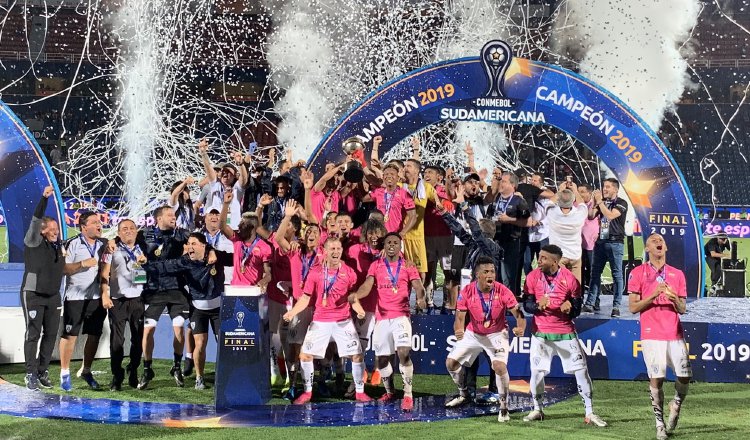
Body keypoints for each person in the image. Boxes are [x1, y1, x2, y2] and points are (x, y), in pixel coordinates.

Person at [521, 244, 607, 426]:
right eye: (540, 257)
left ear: (555, 261)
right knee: (537, 372)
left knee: (581, 371)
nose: (539, 261)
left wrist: (569, 310)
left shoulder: (570, 280)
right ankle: (537, 409)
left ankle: (590, 413)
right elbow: (526, 305)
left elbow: (576, 310)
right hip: (541, 333)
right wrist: (537, 306)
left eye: (544, 258)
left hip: (565, 332)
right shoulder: (532, 277)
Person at [282, 237, 370, 404]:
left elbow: (352, 296)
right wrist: (292, 312)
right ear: (325, 251)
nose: (336, 252)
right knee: (305, 356)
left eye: (338, 249)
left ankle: (360, 392)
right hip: (321, 321)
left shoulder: (349, 273)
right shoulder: (315, 273)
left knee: (357, 356)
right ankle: (308, 392)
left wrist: (358, 310)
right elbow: (306, 297)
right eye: (332, 249)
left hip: (343, 321)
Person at [444, 256, 526, 424]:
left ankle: (503, 407)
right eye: (486, 272)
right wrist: (458, 330)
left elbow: (519, 314)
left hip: (497, 334)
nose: (491, 275)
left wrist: (520, 327)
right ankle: (464, 393)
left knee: (499, 366)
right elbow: (459, 317)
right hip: (473, 333)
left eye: (493, 271)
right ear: (477, 275)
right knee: (451, 363)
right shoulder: (467, 291)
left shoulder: (503, 291)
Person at [146, 233, 233, 390]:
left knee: (224, 343)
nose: (190, 247)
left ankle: (226, 376)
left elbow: (236, 258)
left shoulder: (216, 256)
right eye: (188, 243)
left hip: (218, 308)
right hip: (197, 308)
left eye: (194, 243)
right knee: (200, 343)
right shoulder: (184, 261)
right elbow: (164, 266)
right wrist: (146, 263)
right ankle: (199, 378)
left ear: (203, 246)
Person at [352, 233, 426, 411]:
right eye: (389, 243)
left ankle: (407, 394)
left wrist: (421, 298)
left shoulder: (408, 266)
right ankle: (390, 391)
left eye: (395, 243)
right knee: (382, 359)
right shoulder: (376, 265)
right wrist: (356, 295)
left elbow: (418, 286)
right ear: (384, 246)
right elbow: (367, 286)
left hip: (401, 316)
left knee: (403, 353)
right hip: (382, 318)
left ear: (400, 246)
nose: (392, 245)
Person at [628, 233, 691, 440]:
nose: (658, 242)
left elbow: (682, 309)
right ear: (647, 249)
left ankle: (676, 404)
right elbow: (633, 307)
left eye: (661, 241)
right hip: (651, 334)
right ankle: (659, 424)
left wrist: (674, 298)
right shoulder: (638, 273)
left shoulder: (677, 274)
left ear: (666, 249)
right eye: (654, 241)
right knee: (657, 378)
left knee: (684, 376)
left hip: (674, 333)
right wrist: (654, 295)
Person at [137, 206, 193, 389]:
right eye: (169, 215)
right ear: (158, 219)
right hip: (153, 290)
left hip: (176, 289)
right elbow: (125, 241)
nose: (173, 217)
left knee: (179, 329)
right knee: (148, 330)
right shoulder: (144, 235)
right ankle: (147, 368)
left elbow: (201, 243)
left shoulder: (183, 234)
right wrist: (112, 241)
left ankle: (176, 366)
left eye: (174, 215)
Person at [20, 186, 65, 390]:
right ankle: (30, 373)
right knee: (33, 334)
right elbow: (36, 219)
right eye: (51, 229)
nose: (55, 232)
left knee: (51, 334)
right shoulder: (33, 240)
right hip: (33, 295)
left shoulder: (58, 247)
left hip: (54, 296)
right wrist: (44, 199)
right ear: (42, 230)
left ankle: (42, 371)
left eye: (57, 229)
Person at [59, 211, 108, 391]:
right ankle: (64, 372)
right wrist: (81, 264)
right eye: (94, 222)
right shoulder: (72, 244)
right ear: (83, 227)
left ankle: (86, 370)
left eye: (100, 222)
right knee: (70, 335)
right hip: (75, 297)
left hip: (95, 296)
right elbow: (63, 269)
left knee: (94, 334)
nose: (99, 225)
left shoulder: (104, 244)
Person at [100, 219, 146, 391]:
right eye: (124, 229)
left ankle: (133, 369)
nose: (129, 231)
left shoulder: (143, 248)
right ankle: (117, 376)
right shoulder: (111, 249)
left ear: (136, 231)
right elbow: (104, 273)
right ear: (118, 233)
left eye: (132, 228)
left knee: (138, 339)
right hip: (118, 300)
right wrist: (104, 294)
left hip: (138, 300)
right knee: (117, 341)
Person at [583, 178, 629, 317]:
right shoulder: (601, 202)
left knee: (617, 275)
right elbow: (591, 216)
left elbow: (609, 215)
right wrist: (593, 201)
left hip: (615, 242)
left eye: (608, 187)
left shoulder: (621, 203)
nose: (604, 189)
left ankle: (616, 306)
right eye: (604, 186)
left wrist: (600, 202)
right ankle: (590, 303)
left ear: (615, 189)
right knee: (595, 273)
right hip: (601, 242)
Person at [487, 172, 531, 297]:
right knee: (495, 273)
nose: (501, 183)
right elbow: (489, 216)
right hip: (496, 241)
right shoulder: (496, 199)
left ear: (513, 185)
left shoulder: (519, 201)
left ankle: (508, 304)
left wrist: (509, 220)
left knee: (508, 275)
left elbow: (528, 222)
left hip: (511, 241)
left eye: (504, 181)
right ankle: (496, 302)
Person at [402, 158, 438, 283]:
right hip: (402, 236)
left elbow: (438, 201)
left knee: (421, 272)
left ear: (417, 170)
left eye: (409, 166)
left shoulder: (426, 187)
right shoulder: (400, 186)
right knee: (403, 270)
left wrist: (439, 203)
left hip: (418, 237)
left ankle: (419, 300)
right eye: (405, 165)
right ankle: (404, 299)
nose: (405, 168)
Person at [546, 186, 588, 283]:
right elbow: (582, 203)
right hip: (575, 255)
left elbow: (550, 202)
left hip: (558, 257)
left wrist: (560, 190)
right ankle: (576, 298)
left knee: (560, 288)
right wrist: (575, 190)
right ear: (573, 200)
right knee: (575, 287)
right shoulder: (579, 214)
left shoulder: (552, 213)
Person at [363, 163, 416, 235]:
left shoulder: (404, 194)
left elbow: (413, 216)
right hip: (379, 234)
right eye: (386, 174)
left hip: (394, 236)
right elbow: (363, 199)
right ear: (383, 177)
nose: (389, 176)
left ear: (398, 177)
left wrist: (402, 233)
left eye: (392, 174)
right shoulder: (378, 191)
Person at [577, 184, 599, 297]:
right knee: (578, 271)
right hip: (578, 244)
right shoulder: (576, 205)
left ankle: (594, 298)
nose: (579, 194)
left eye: (582, 192)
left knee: (592, 271)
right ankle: (579, 297)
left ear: (589, 193)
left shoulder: (596, 205)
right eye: (578, 192)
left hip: (592, 244)